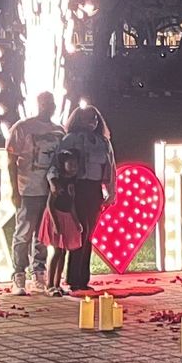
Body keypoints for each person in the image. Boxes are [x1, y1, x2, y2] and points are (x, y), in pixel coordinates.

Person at [5, 92, 64, 295]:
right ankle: (18, 274)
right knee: (23, 233)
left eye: (51, 104)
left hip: (49, 192)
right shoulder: (22, 128)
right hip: (28, 189)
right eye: (45, 103)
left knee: (42, 235)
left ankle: (39, 271)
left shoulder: (59, 131)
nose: (48, 107)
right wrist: (15, 190)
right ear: (38, 104)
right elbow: (11, 161)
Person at [56, 104, 116, 292]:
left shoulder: (103, 141)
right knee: (79, 232)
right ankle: (74, 278)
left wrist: (111, 191)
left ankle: (83, 278)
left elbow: (111, 166)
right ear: (78, 120)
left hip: (95, 190)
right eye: (88, 119)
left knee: (89, 234)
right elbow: (60, 162)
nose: (92, 123)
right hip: (78, 188)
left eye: (95, 119)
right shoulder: (70, 139)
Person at [39, 146, 85, 296]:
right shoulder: (57, 182)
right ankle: (49, 285)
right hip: (55, 216)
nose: (73, 168)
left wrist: (76, 221)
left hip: (66, 216)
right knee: (57, 251)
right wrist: (55, 224)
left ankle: (58, 284)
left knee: (63, 251)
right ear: (63, 165)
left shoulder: (72, 183)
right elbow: (50, 204)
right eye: (70, 164)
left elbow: (71, 204)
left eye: (75, 165)